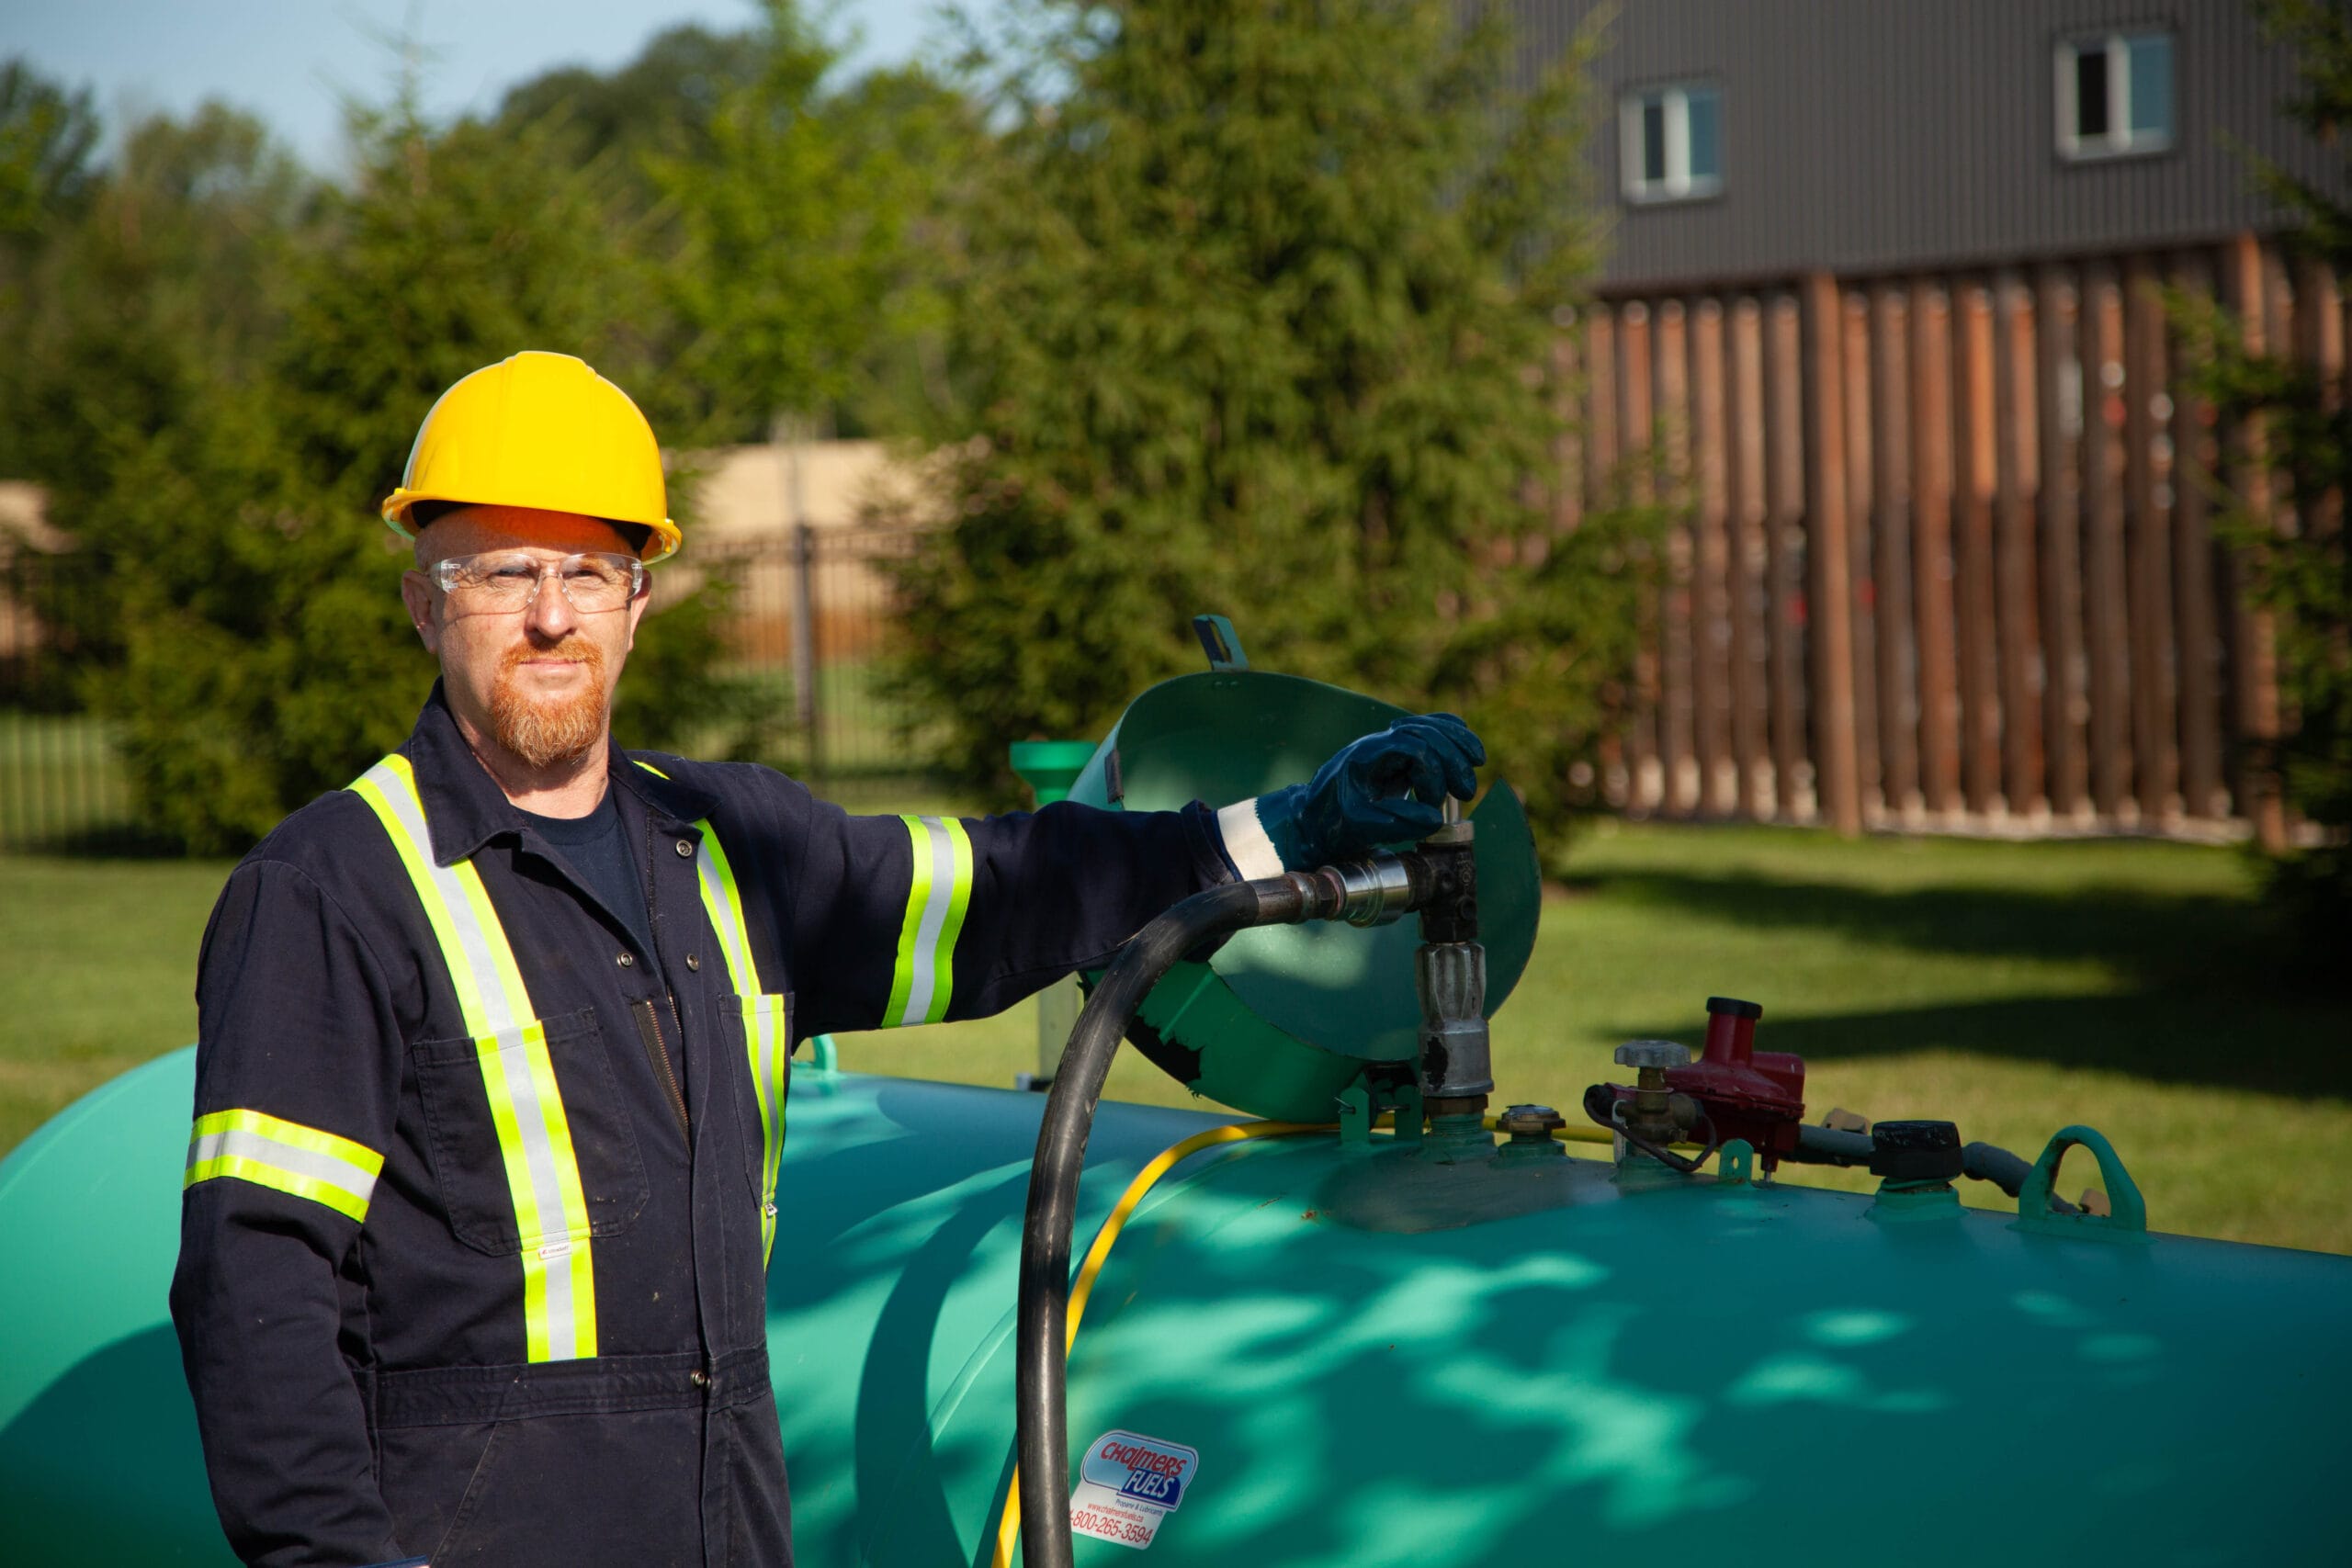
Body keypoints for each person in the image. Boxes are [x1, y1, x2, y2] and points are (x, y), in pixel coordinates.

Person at [169, 351, 1484, 1568]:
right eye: (503, 573)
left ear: (640, 602)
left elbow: (1009, 891)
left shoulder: (731, 843)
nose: (551, 617)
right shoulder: (330, 890)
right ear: (423, 604)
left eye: (587, 573)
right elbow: (256, 1287)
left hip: (721, 1518)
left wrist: (1278, 830)